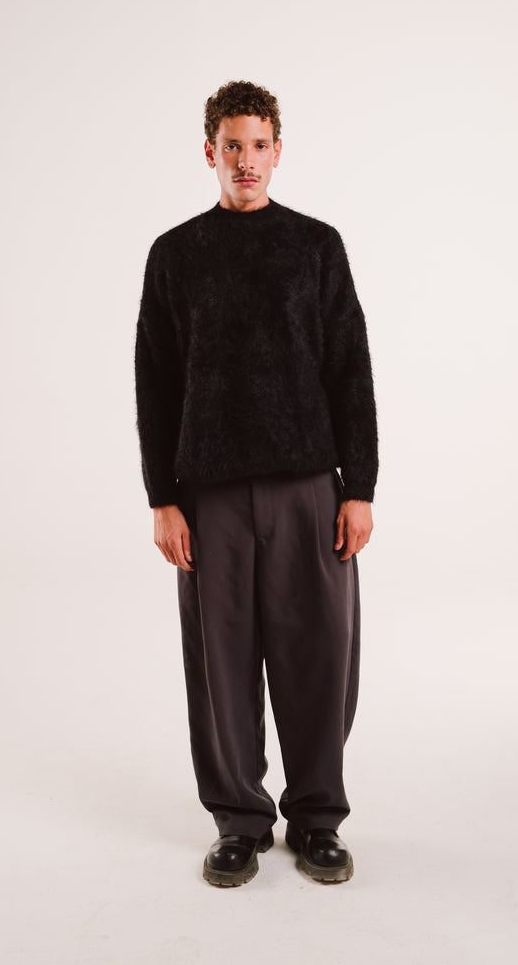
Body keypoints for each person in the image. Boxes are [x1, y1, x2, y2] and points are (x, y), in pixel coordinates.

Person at [134, 80, 378, 886]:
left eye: (259, 145)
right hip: (210, 495)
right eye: (232, 146)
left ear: (279, 151)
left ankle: (316, 818)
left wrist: (359, 486)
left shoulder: (316, 246)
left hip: (309, 487)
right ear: (209, 152)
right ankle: (238, 820)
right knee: (221, 663)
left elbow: (350, 369)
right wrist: (162, 498)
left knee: (319, 657)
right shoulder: (176, 255)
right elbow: (155, 381)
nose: (246, 160)